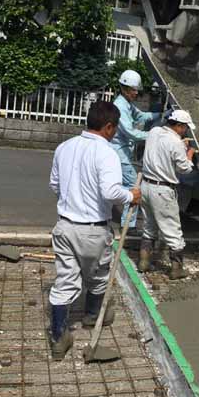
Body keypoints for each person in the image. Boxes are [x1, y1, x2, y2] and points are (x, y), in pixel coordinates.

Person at [49, 100, 141, 361]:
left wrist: (74, 197)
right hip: (92, 230)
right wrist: (131, 195)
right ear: (109, 127)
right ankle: (91, 316)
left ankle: (58, 337)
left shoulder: (64, 147)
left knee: (65, 281)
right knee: (99, 276)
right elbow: (110, 192)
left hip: (65, 226)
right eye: (115, 128)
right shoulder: (107, 153)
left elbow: (54, 184)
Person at [138, 109, 196, 279]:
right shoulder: (176, 142)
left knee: (149, 227)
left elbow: (162, 150)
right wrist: (189, 154)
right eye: (185, 127)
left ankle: (143, 262)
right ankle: (176, 269)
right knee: (173, 231)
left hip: (146, 185)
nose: (185, 130)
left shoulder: (154, 131)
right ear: (178, 126)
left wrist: (180, 145)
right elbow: (184, 168)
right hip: (162, 191)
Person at [110, 70, 162, 228]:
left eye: (137, 90)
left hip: (123, 151)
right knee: (134, 187)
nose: (136, 93)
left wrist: (162, 114)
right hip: (119, 152)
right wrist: (154, 134)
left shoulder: (127, 104)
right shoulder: (120, 106)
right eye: (133, 90)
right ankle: (129, 226)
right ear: (124, 88)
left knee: (114, 186)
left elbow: (142, 117)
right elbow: (131, 133)